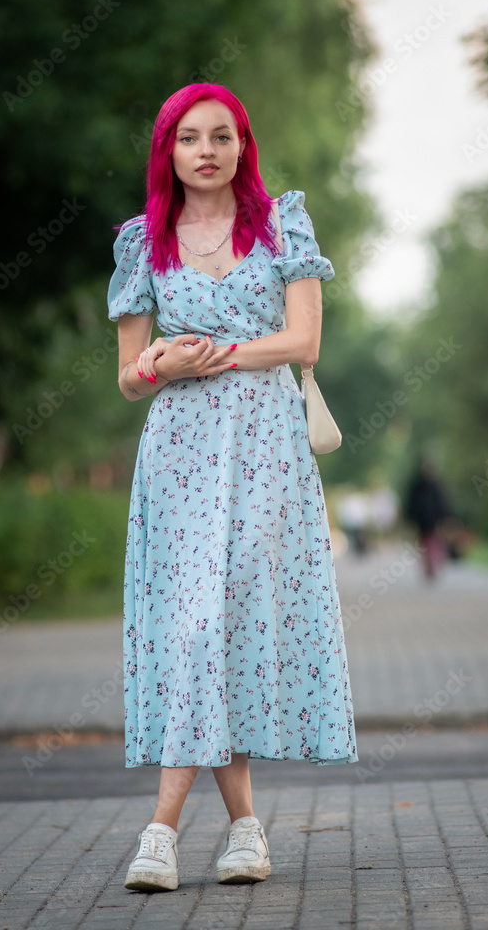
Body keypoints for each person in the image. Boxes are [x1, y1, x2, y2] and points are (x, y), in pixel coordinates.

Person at [107, 83, 358, 892]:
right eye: (189, 138)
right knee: (191, 629)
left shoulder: (282, 222)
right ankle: (242, 831)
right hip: (179, 456)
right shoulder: (142, 243)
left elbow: (304, 336)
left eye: (222, 135)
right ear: (168, 152)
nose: (206, 149)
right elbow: (128, 377)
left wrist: (205, 352)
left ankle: (162, 832)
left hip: (264, 449)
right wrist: (159, 365)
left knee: (225, 621)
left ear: (242, 146)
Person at [403, 458, 451, 580]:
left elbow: (441, 503)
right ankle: (429, 566)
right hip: (423, 520)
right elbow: (412, 503)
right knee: (426, 544)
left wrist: (444, 516)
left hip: (432, 520)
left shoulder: (433, 486)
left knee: (430, 543)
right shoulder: (419, 486)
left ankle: (431, 566)